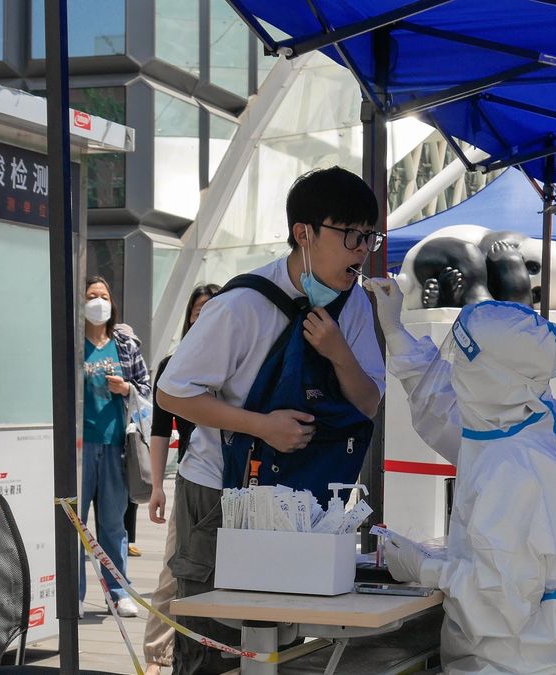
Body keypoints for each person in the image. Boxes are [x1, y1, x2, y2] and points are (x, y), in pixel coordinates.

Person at [157, 167, 386, 675]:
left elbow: (368, 402)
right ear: (304, 233)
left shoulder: (354, 308)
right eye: (350, 234)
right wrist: (261, 426)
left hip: (298, 499)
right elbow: (172, 392)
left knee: (278, 637)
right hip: (221, 492)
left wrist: (339, 352)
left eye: (369, 235)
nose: (361, 250)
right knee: (214, 643)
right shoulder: (241, 305)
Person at [372, 293, 556, 674]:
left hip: (521, 663)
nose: (453, 370)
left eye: (462, 363)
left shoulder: (514, 466)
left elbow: (500, 607)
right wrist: (397, 333)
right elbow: (444, 410)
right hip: (555, 654)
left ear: (490, 377)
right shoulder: (526, 417)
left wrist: (425, 568)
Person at [143, 282, 221, 675]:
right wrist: (157, 486)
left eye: (212, 308)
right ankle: (157, 654)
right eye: (197, 310)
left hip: (234, 483)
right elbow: (160, 429)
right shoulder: (173, 364)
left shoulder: (233, 362)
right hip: (191, 481)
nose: (203, 315)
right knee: (174, 569)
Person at [80, 275, 151, 619]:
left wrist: (127, 390)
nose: (97, 301)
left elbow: (147, 390)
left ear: (112, 303)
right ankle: (73, 595)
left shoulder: (124, 344)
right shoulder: (72, 343)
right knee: (74, 525)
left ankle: (119, 591)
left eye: (103, 295)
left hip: (114, 446)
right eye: (91, 295)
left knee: (112, 524)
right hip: (77, 450)